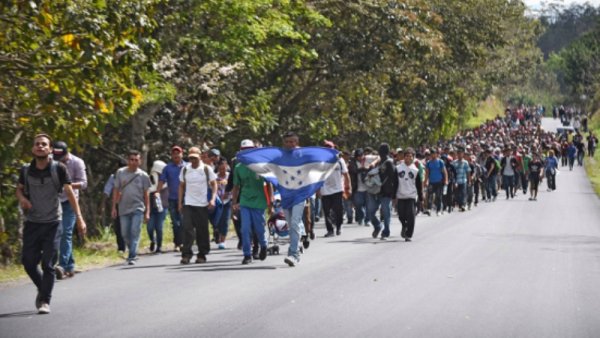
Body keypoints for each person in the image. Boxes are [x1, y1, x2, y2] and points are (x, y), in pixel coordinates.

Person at [16, 134, 87, 314]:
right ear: (33, 149)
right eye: (37, 144)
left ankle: (45, 301)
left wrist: (79, 217)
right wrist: (23, 199)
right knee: (28, 262)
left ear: (50, 150)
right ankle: (43, 288)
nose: (40, 146)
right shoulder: (25, 170)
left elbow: (70, 193)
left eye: (44, 144)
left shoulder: (59, 169)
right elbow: (19, 189)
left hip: (53, 223)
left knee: (48, 264)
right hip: (32, 222)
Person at [51, 141, 87, 279]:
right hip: (53, 202)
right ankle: (70, 265)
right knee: (57, 233)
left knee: (66, 232)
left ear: (67, 153)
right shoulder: (50, 161)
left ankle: (62, 265)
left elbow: (84, 184)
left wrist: (67, 185)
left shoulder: (77, 162)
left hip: (69, 202)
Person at [178, 147, 218, 264]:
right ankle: (186, 254)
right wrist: (180, 202)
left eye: (195, 158)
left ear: (200, 156)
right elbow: (181, 185)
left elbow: (214, 184)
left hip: (202, 204)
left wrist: (213, 199)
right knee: (187, 230)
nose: (193, 160)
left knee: (202, 231)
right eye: (191, 158)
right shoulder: (185, 169)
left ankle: (202, 254)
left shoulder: (206, 169)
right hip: (188, 203)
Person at [111, 150, 151, 265]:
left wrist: (147, 211)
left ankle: (132, 255)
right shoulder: (120, 173)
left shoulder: (143, 175)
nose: (134, 162)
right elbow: (116, 190)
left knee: (135, 230)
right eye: (131, 160)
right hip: (123, 208)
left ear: (140, 161)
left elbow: (146, 194)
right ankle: (132, 249)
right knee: (124, 233)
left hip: (138, 207)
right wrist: (114, 207)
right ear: (128, 161)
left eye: (136, 160)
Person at [231, 154, 272, 264]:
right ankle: (247, 255)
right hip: (245, 201)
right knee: (245, 229)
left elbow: (269, 184)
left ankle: (263, 245)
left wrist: (270, 201)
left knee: (259, 228)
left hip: (259, 202)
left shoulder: (260, 167)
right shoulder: (238, 167)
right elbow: (236, 186)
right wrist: (234, 202)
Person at [156, 146, 186, 252]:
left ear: (182, 154)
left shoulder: (187, 166)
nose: (176, 155)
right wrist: (157, 192)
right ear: (171, 155)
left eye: (178, 153)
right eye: (174, 153)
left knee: (183, 222)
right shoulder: (167, 168)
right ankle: (177, 243)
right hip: (172, 198)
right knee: (175, 222)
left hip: (185, 198)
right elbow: (161, 180)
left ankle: (183, 242)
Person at [319, 140, 351, 237]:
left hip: (337, 190)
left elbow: (346, 174)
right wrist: (317, 190)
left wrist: (348, 187)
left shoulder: (340, 161)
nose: (328, 150)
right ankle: (330, 230)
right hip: (325, 191)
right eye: (326, 148)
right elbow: (317, 177)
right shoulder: (320, 162)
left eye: (330, 148)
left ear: (333, 149)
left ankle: (339, 227)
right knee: (327, 212)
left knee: (338, 211)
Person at [368, 143, 397, 240]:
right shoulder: (379, 162)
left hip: (386, 192)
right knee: (370, 212)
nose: (381, 153)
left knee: (385, 212)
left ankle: (386, 231)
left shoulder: (389, 163)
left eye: (382, 151)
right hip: (376, 191)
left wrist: (394, 193)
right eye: (380, 151)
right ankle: (377, 226)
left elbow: (394, 178)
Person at [394, 148, 423, 241]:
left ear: (413, 158)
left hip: (411, 195)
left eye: (410, 156)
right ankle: (404, 226)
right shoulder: (398, 168)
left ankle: (408, 234)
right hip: (401, 195)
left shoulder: (416, 170)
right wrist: (393, 195)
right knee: (401, 215)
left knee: (411, 216)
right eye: (407, 156)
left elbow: (419, 185)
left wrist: (421, 197)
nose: (408, 158)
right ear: (404, 157)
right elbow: (394, 182)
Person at [102, 159, 127, 253]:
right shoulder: (113, 177)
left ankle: (129, 244)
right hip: (117, 204)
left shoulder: (132, 175)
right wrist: (103, 204)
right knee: (119, 226)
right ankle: (121, 247)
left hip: (130, 204)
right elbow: (107, 190)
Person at [147, 160, 168, 253]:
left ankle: (159, 246)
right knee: (150, 228)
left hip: (162, 207)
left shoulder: (166, 183)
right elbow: (147, 191)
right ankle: (153, 240)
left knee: (159, 227)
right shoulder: (149, 180)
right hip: (151, 207)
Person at [215, 158, 232, 249]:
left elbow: (234, 187)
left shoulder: (230, 176)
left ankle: (223, 241)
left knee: (225, 221)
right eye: (221, 169)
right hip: (217, 202)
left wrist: (228, 194)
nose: (222, 170)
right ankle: (217, 231)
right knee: (217, 221)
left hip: (227, 201)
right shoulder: (214, 176)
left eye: (224, 168)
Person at [425, 149, 447, 215]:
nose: (433, 155)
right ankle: (429, 209)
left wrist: (446, 180)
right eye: (431, 154)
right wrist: (425, 181)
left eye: (434, 153)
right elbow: (427, 173)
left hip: (439, 182)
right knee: (430, 196)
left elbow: (444, 172)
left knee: (438, 196)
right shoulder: (428, 163)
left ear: (436, 154)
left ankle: (438, 210)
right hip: (431, 182)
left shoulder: (440, 162)